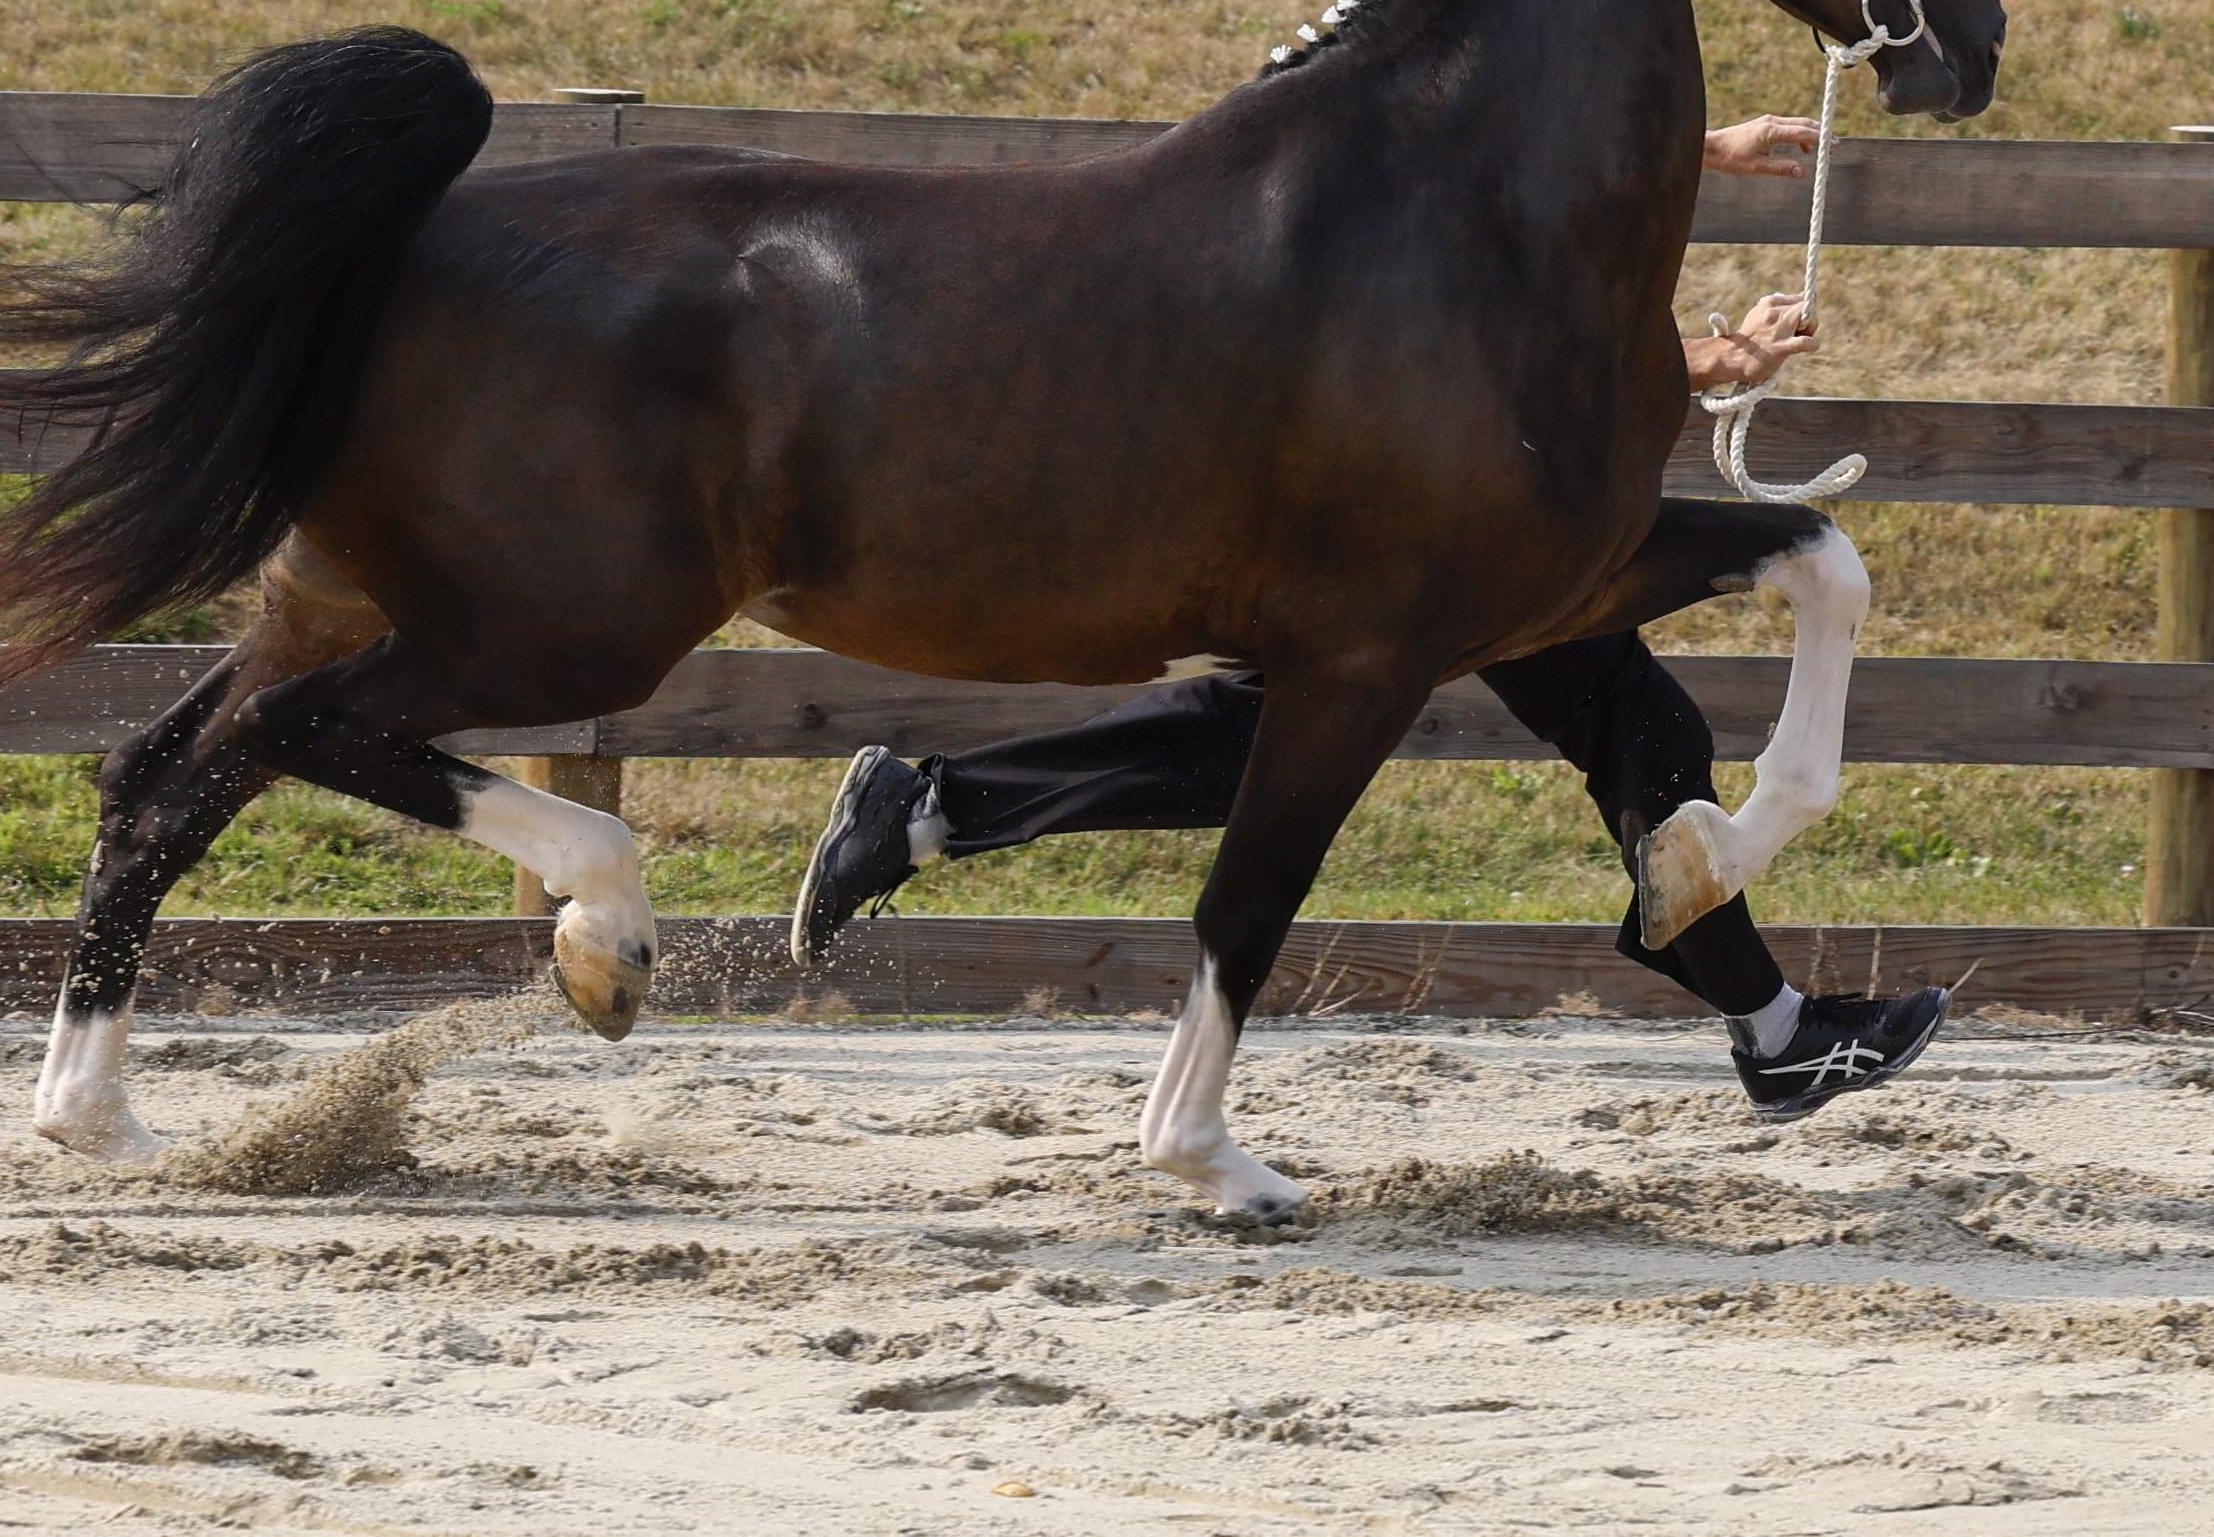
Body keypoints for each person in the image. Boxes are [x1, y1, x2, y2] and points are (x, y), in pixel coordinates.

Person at [789, 114, 1947, 1120]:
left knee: (1562, 716)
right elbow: (1492, 202)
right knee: (1360, 731)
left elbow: (1516, 177)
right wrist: (1700, 341)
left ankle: (930, 810)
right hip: (1429, 485)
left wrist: (1703, 176)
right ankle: (1771, 1028)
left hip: (1444, 469)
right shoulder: (1483, 67)